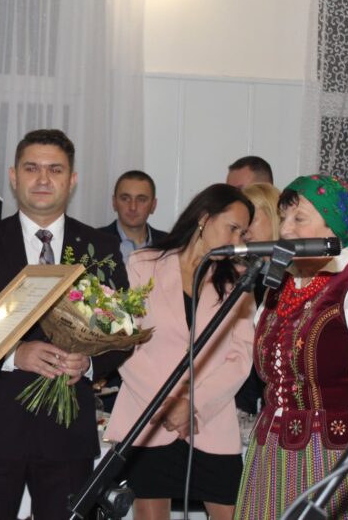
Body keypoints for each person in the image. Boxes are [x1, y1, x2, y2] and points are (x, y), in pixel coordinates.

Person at [0, 129, 129, 520]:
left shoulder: (100, 247)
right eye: (32, 168)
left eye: (55, 170)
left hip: (68, 437)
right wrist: (15, 355)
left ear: (72, 180)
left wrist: (89, 363)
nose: (43, 179)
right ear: (13, 177)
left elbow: (123, 334)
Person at [234, 175, 348, 519]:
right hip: (271, 455)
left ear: (333, 226)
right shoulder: (279, 284)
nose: (286, 229)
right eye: (284, 218)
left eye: (299, 218)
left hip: (335, 457)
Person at [107, 184, 255, 520]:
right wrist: (167, 403)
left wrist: (192, 404)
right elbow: (123, 343)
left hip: (209, 422)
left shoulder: (240, 280)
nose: (238, 239)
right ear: (204, 218)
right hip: (150, 419)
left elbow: (240, 357)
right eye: (232, 228)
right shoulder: (143, 264)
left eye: (243, 233)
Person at [232, 183, 281, 418]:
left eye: (252, 219)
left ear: (274, 217)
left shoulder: (295, 275)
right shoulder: (240, 272)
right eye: (241, 223)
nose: (245, 229)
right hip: (243, 394)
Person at [100, 170, 167, 262]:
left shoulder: (170, 245)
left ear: (153, 205)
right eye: (125, 199)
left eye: (141, 200)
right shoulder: (93, 242)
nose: (133, 207)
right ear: (114, 202)